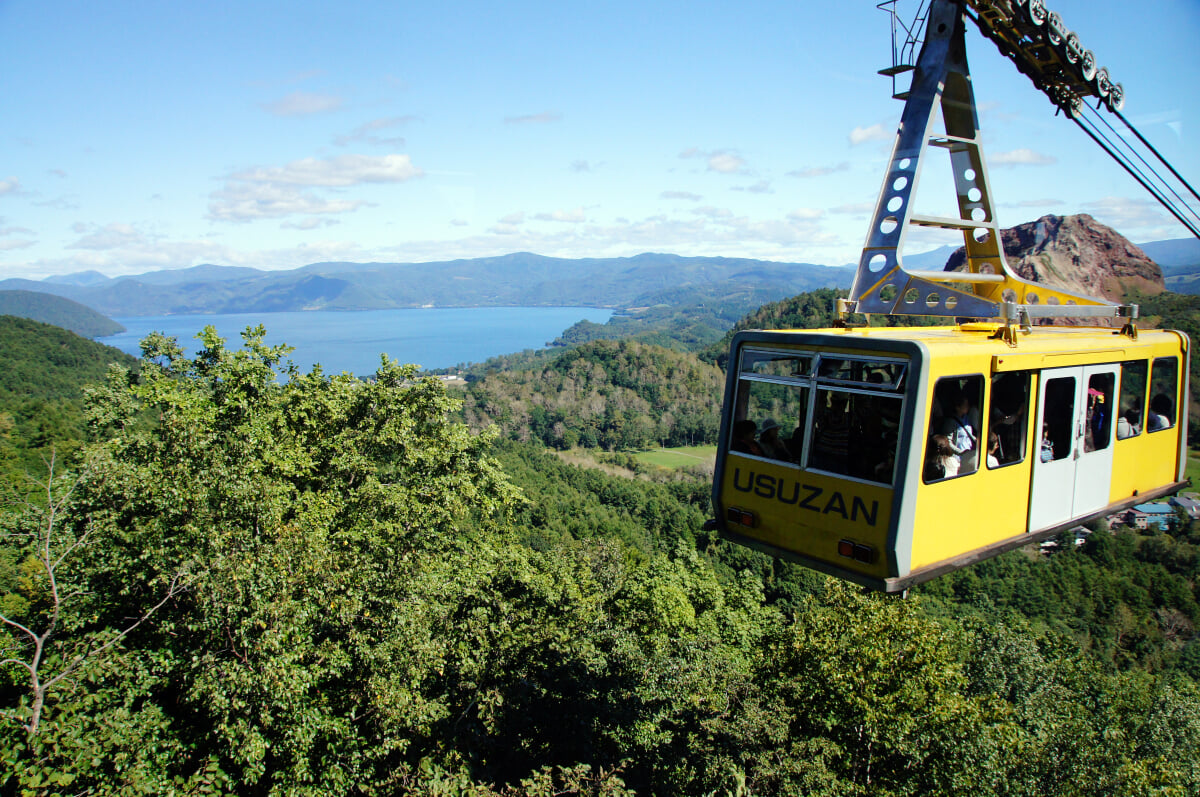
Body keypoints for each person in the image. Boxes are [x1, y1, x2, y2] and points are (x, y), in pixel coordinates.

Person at [941, 394, 979, 473]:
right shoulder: (950, 422)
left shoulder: (966, 418)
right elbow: (948, 442)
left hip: (968, 455)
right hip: (957, 459)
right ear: (957, 407)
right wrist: (960, 452)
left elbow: (968, 434)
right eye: (965, 405)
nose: (968, 407)